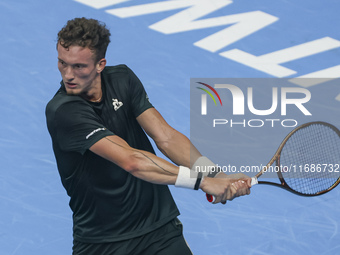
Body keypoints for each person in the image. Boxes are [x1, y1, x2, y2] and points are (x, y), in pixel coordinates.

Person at [45, 17, 251, 255]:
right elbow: (132, 161)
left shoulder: (122, 79)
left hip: (159, 229)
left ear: (100, 64)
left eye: (79, 66)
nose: (68, 74)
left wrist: (215, 174)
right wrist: (203, 182)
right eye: (62, 63)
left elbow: (166, 136)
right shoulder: (64, 110)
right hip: (102, 242)